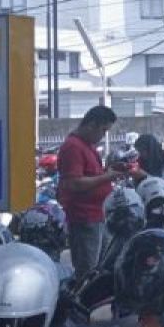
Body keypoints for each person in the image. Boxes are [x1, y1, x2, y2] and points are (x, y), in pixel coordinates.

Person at [57, 105, 123, 278]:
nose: (103, 136)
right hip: (84, 218)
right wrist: (107, 177)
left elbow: (91, 176)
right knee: (87, 272)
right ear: (91, 125)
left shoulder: (87, 146)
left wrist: (108, 172)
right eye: (103, 130)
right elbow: (73, 183)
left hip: (97, 216)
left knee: (101, 270)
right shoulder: (73, 147)